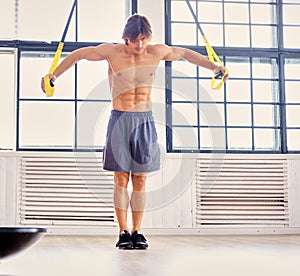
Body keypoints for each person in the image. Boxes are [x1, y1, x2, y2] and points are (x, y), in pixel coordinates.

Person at [41, 14, 228, 249]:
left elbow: (186, 54)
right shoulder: (112, 53)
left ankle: (137, 231)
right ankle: (123, 232)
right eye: (134, 40)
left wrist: (215, 67)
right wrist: (54, 75)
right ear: (125, 38)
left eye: (143, 39)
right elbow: (79, 54)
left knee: (140, 180)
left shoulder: (156, 52)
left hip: (145, 121)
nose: (139, 45)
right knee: (120, 179)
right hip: (119, 119)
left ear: (148, 37)